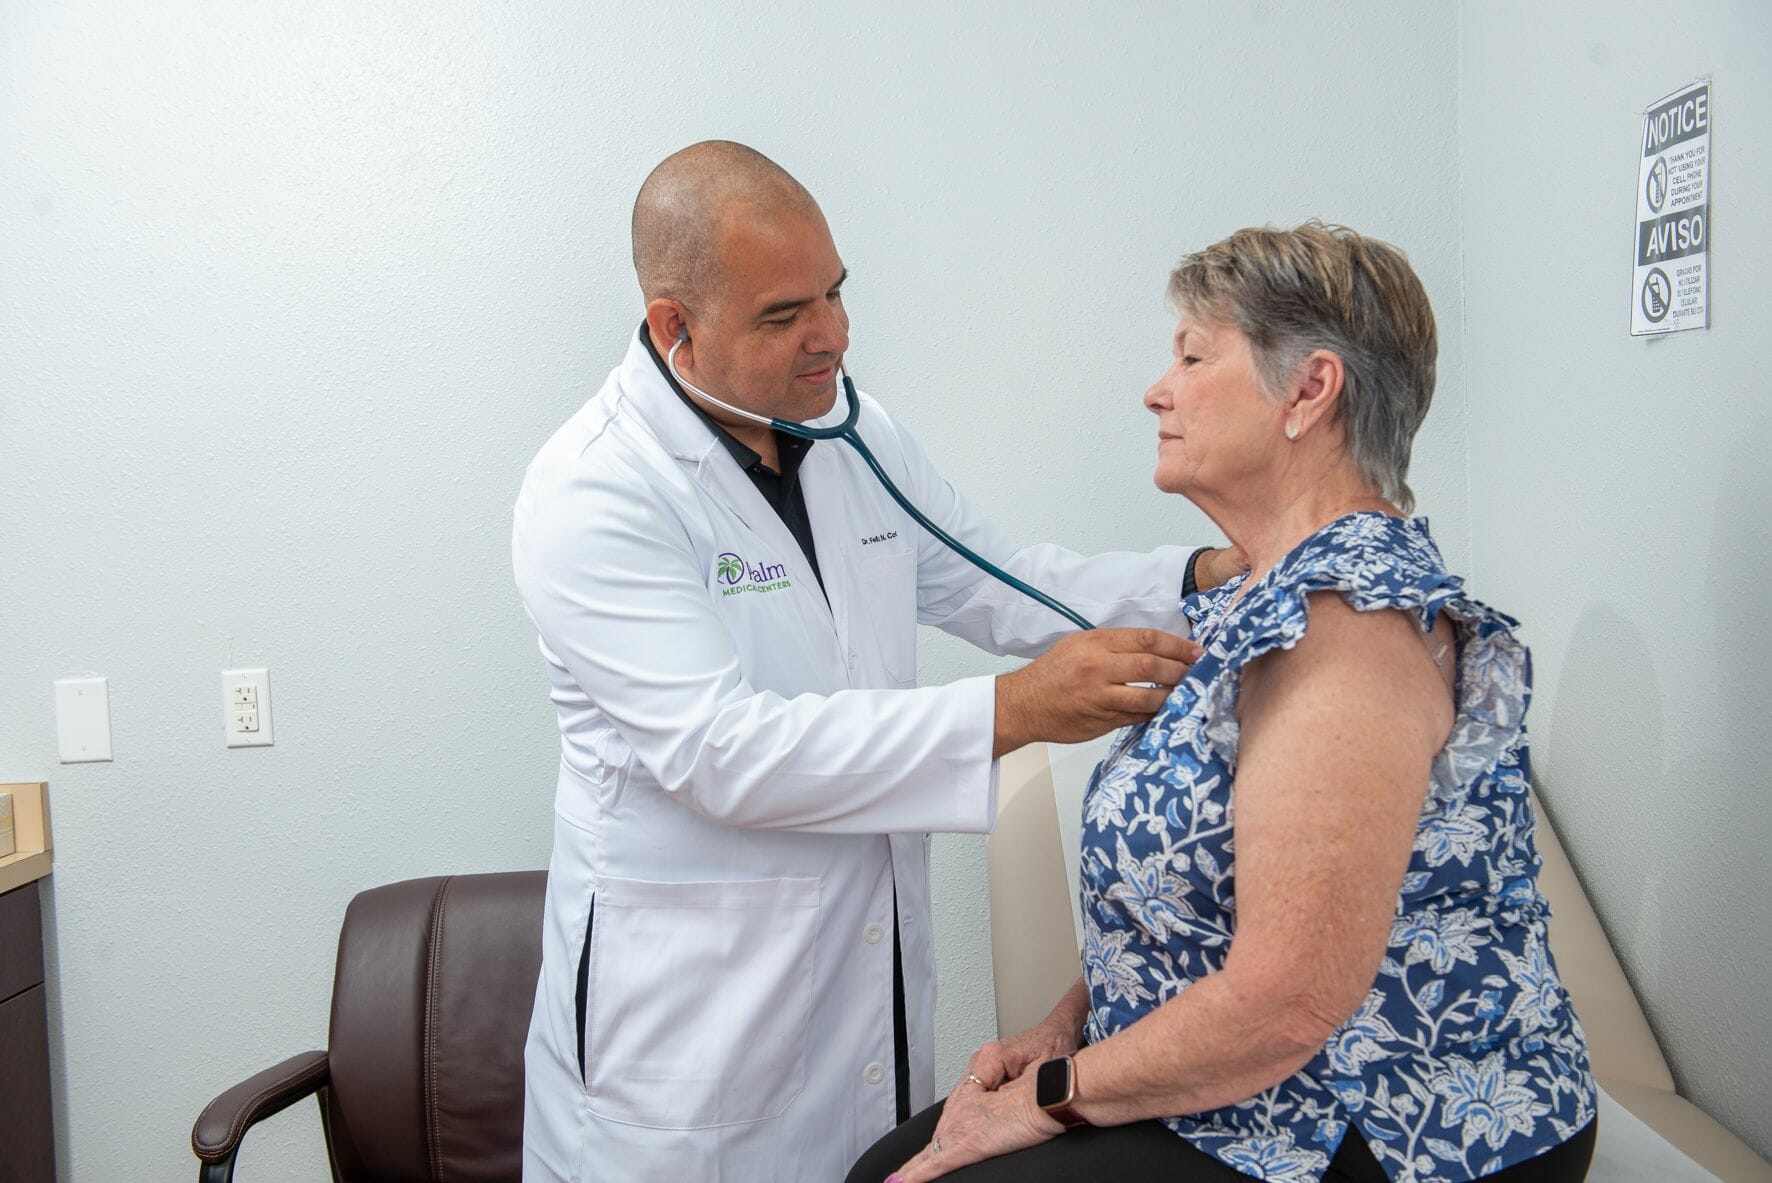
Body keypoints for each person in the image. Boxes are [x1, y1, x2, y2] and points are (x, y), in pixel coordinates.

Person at [511, 141, 1242, 1183]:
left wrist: (1206, 574)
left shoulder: (852, 437)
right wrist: (1014, 711)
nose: (834, 335)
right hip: (686, 1030)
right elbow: (721, 752)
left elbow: (1002, 582)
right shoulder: (595, 491)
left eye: (836, 292)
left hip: (856, 995)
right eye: (784, 315)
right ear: (675, 328)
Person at [851, 222, 1598, 1183]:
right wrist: (1067, 1024)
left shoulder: (1347, 631)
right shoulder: (1262, 599)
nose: (1157, 390)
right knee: (885, 1165)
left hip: (1382, 1127)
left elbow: (1288, 1001)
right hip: (1245, 1083)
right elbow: (1204, 892)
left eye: (1194, 355)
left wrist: (1044, 1099)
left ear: (1310, 391)